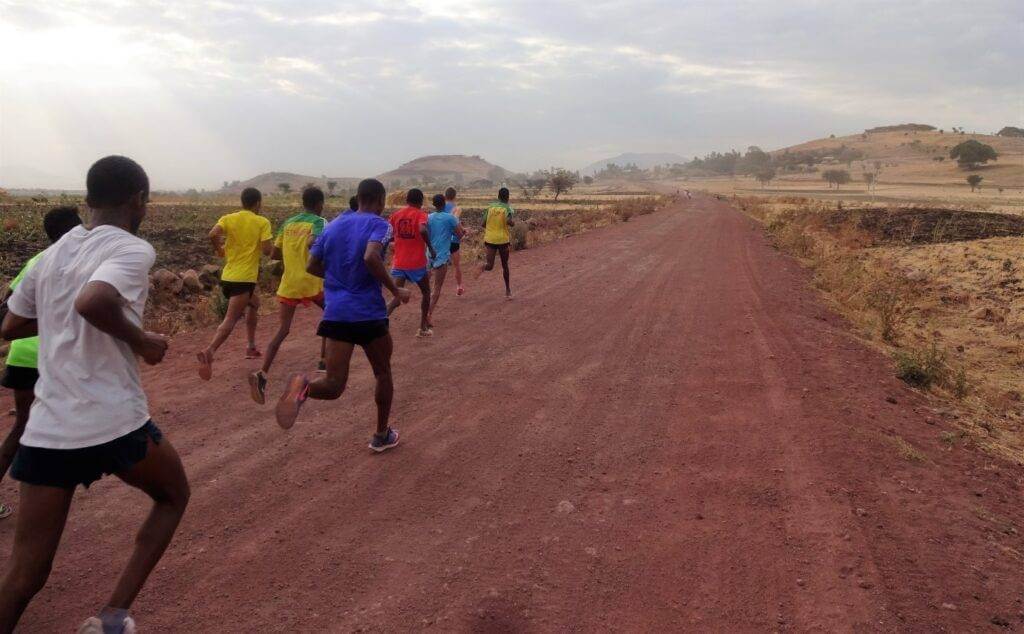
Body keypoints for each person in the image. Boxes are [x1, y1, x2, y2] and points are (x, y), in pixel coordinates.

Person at [0, 156, 189, 633]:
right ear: (138, 201)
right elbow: (92, 301)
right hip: (112, 423)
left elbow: (12, 324)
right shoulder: (132, 249)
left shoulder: (55, 252)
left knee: (25, 574)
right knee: (173, 495)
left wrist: (62, 310)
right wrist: (142, 341)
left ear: (88, 200)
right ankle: (111, 617)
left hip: (48, 430)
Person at [275, 178, 410, 452]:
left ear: (358, 197)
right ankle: (381, 434)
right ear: (380, 200)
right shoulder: (380, 225)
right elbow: (371, 258)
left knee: (334, 384)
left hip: (336, 314)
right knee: (383, 372)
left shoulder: (332, 225)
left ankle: (304, 388)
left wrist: (338, 278)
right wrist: (395, 290)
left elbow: (312, 265)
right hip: (368, 313)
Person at [0, 206, 83, 521]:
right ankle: (45, 502)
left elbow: (7, 305)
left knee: (23, 426)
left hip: (21, 355)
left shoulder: (37, 261)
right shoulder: (82, 263)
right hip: (53, 357)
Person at [248, 187, 327, 404]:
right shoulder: (319, 222)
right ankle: (323, 361)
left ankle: (262, 374)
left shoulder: (288, 223)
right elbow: (316, 245)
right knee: (332, 316)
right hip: (312, 282)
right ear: (320, 204)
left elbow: (273, 254)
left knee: (283, 330)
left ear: (303, 202)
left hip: (289, 283)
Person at [197, 187, 273, 380]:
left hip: (228, 277)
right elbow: (266, 251)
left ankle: (251, 347)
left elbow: (212, 234)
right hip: (244, 279)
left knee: (254, 303)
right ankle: (209, 351)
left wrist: (220, 250)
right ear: (257, 203)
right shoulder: (262, 222)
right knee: (230, 319)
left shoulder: (229, 218)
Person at [385, 189, 435, 337]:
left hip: (399, 261)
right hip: (416, 263)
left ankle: (378, 321)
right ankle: (422, 328)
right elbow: (422, 230)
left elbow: (389, 235)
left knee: (396, 296)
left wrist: (394, 244)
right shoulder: (421, 215)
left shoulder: (396, 215)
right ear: (420, 202)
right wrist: (431, 248)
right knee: (426, 292)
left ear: (406, 200)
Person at [427, 194, 466, 326]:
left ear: (433, 204)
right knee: (436, 288)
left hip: (428, 255)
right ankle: (428, 314)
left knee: (426, 287)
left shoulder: (429, 217)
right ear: (444, 203)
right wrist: (463, 231)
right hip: (442, 256)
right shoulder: (450, 218)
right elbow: (459, 235)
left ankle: (424, 312)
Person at [477, 187, 515, 299]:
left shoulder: (490, 207)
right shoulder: (508, 209)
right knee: (505, 265)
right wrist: (512, 223)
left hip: (490, 239)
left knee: (490, 265)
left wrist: (491, 226)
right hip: (502, 239)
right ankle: (508, 291)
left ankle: (482, 266)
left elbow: (483, 223)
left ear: (498, 197)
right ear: (508, 197)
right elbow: (509, 221)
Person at [443, 187, 466, 296]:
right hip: (454, 239)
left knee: (436, 265)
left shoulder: (440, 207)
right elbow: (455, 221)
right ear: (455, 196)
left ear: (445, 196)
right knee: (457, 265)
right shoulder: (457, 208)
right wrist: (463, 230)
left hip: (442, 239)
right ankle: (459, 286)